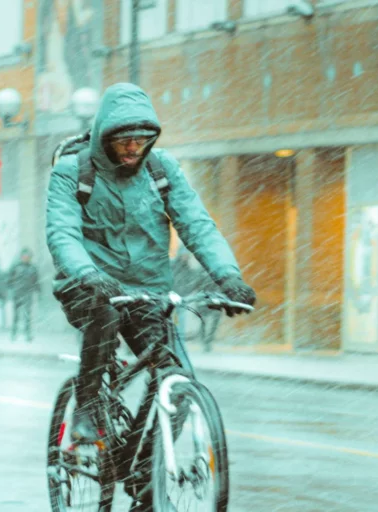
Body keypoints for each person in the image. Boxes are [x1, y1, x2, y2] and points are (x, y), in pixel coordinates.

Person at [46, 83, 256, 445]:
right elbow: (62, 233)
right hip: (88, 287)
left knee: (175, 378)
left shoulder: (161, 169)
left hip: (148, 292)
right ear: (104, 137)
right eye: (124, 140)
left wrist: (228, 276)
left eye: (141, 139)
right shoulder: (72, 172)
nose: (133, 148)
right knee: (104, 315)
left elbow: (196, 225)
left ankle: (142, 471)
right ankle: (88, 404)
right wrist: (88, 274)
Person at [8, 248, 41, 342]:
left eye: (27, 256)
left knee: (27, 316)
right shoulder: (15, 267)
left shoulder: (33, 268)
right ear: (21, 257)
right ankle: (13, 334)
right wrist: (11, 289)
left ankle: (28, 335)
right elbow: (9, 279)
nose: (25, 258)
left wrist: (38, 292)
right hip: (17, 294)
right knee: (16, 316)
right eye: (24, 256)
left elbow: (36, 281)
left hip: (28, 295)